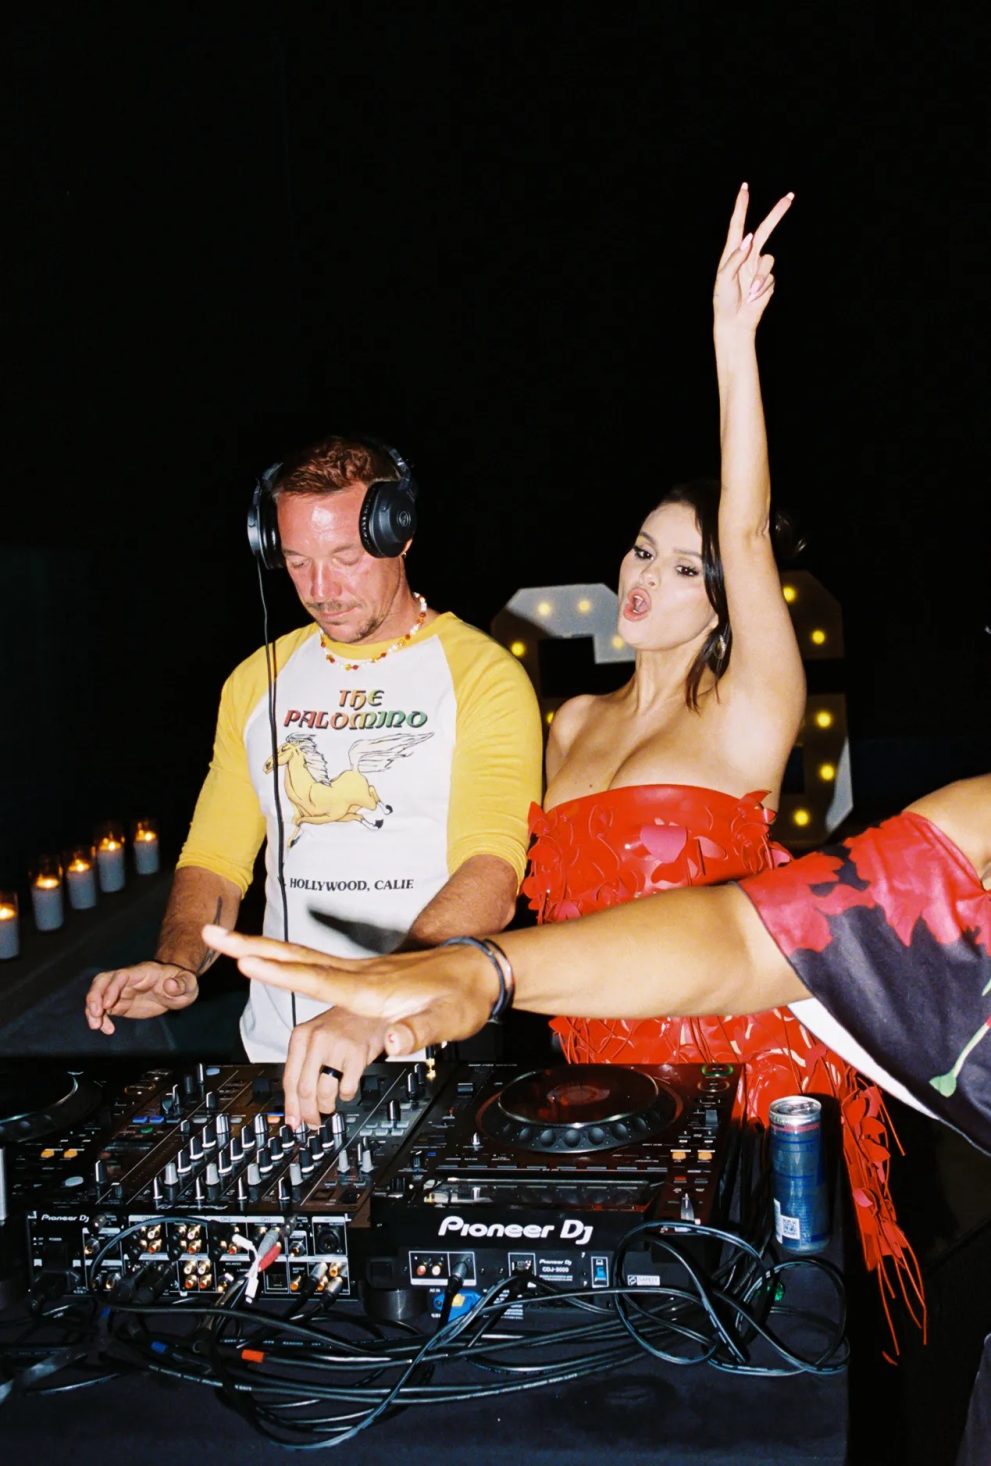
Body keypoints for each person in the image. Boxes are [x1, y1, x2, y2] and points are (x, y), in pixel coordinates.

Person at [517, 183, 919, 1320]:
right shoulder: (569, 723)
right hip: (601, 1081)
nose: (644, 577)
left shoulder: (747, 708)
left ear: (727, 597)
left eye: (683, 567)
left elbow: (744, 524)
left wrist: (729, 339)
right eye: (641, 550)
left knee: (757, 1342)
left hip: (743, 1080)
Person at [84, 435, 543, 1111]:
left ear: (399, 533)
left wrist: (373, 1001)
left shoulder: (482, 676)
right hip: (275, 1051)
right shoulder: (256, 680)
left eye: (345, 559)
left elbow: (491, 874)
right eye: (297, 562)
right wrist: (177, 962)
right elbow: (215, 860)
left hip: (420, 1043)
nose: (320, 590)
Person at [201, 773, 991, 1159]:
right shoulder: (972, 820)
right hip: (607, 1035)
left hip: (733, 1054)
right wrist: (481, 972)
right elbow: (752, 934)